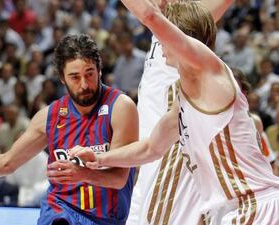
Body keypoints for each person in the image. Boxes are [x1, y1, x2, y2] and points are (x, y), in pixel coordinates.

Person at [71, 1, 279, 224]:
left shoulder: (208, 68)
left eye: (162, 36)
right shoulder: (182, 103)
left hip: (255, 207)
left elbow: (150, 15)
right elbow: (150, 148)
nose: (159, 44)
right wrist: (99, 159)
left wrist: (157, 19)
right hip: (231, 212)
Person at [0, 34, 139, 225]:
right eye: (75, 77)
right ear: (62, 78)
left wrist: (83, 173)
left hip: (105, 218)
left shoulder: (121, 107)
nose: (84, 84)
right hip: (60, 209)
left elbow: (119, 179)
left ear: (99, 70)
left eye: (89, 73)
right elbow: (6, 163)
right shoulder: (49, 116)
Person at [125, 0, 233, 224]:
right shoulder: (160, 35)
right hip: (149, 152)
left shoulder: (183, 29)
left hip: (170, 147)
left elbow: (147, 13)